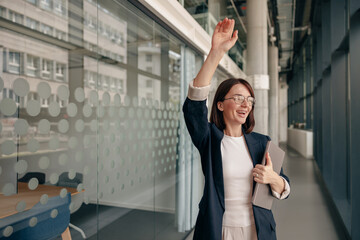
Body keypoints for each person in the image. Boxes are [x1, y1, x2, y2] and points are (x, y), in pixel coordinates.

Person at [182, 18, 291, 240]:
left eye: (249, 100)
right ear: (220, 104)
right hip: (217, 230)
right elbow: (193, 107)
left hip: (257, 230)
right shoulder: (210, 139)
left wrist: (273, 178)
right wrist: (215, 52)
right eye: (238, 98)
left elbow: (284, 187)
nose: (245, 105)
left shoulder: (262, 142)